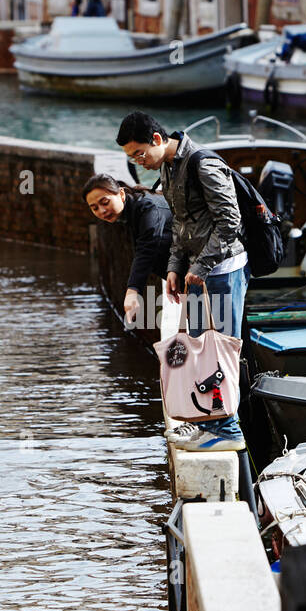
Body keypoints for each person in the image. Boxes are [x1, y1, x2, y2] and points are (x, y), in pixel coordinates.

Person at [116, 112, 246, 453]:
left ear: (157, 140)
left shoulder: (202, 164)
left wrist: (199, 267)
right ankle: (209, 422)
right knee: (200, 346)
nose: (138, 162)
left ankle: (229, 429)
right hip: (197, 272)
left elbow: (231, 222)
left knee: (221, 350)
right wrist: (175, 267)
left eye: (139, 154)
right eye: (132, 157)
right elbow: (179, 226)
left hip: (223, 269)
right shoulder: (167, 168)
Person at [82, 173, 173, 327]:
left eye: (105, 202)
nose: (102, 211)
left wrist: (133, 290)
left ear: (121, 194)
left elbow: (147, 248)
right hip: (187, 274)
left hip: (206, 270)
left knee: (212, 335)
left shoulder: (147, 207)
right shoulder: (132, 210)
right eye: (95, 208)